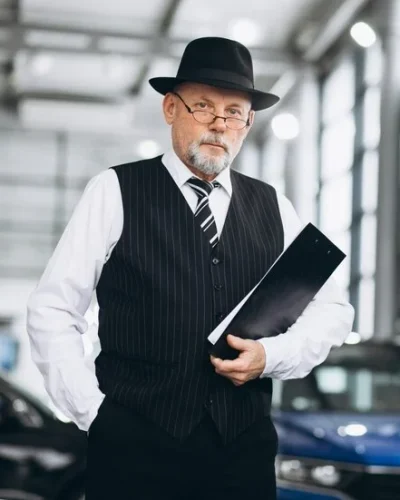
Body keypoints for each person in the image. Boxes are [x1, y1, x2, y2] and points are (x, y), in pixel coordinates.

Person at [26, 37, 354, 500]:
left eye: (234, 112)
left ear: (249, 123)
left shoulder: (273, 205)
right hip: (133, 449)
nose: (219, 126)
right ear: (170, 109)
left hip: (243, 451)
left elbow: (333, 308)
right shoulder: (115, 190)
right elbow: (53, 310)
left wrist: (272, 357)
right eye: (203, 106)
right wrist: (94, 412)